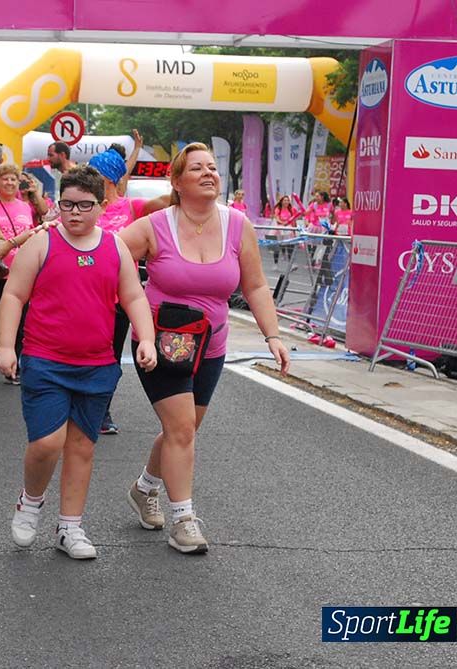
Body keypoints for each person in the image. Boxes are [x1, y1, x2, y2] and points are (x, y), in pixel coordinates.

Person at [118, 143, 290, 554]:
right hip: (160, 343)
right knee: (180, 429)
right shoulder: (153, 226)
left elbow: (256, 286)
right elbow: (109, 261)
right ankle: (184, 520)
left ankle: (145, 488)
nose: (209, 173)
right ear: (177, 182)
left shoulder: (237, 225)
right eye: (196, 169)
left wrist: (274, 336)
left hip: (211, 346)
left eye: (212, 167)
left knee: (185, 430)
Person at [0, 165, 158, 560]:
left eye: (84, 205)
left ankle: (70, 526)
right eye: (66, 204)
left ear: (101, 206)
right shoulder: (42, 242)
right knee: (47, 442)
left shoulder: (115, 246)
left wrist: (147, 338)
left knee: (82, 447)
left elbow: (134, 297)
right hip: (45, 360)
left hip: (97, 364)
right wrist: (5, 346)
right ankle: (30, 502)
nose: (74, 213)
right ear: (57, 205)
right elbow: (14, 294)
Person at [86, 149, 170, 435]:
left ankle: (102, 409)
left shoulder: (131, 207)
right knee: (84, 350)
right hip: (86, 293)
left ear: (108, 177)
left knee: (109, 356)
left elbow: (168, 203)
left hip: (120, 295)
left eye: (95, 173)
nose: (90, 178)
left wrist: (186, 181)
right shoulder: (84, 206)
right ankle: (81, 402)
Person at [0, 164, 40, 383]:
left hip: (24, 272)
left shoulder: (25, 207)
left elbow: (34, 233)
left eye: (13, 180)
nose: (9, 183)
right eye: (5, 179)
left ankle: (14, 368)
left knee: (22, 321)